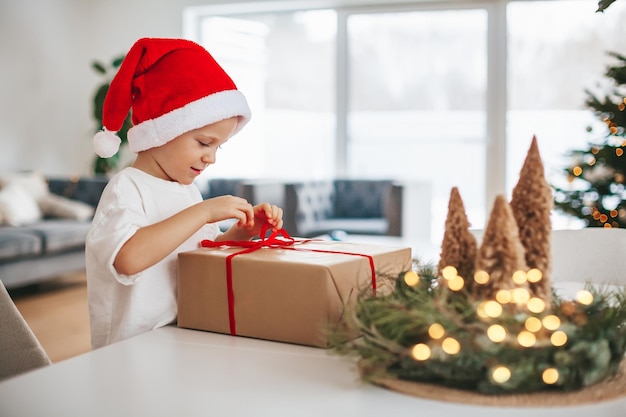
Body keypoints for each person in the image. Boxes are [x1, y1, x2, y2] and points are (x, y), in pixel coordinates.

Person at [86, 38, 283, 349]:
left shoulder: (187, 192)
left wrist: (245, 231)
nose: (211, 157)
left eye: (219, 147)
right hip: (130, 350)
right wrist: (203, 212)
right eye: (204, 143)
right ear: (163, 130)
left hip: (180, 335)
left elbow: (203, 253)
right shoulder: (128, 189)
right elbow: (128, 259)